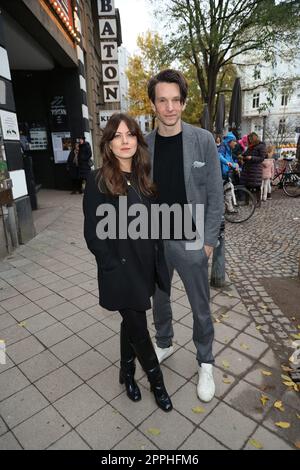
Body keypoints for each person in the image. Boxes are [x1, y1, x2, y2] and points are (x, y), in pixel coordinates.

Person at [83, 113, 173, 412]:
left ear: (138, 139)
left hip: (144, 265)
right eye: (117, 135)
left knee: (131, 320)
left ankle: (126, 372)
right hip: (121, 270)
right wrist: (110, 265)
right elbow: (94, 233)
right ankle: (156, 382)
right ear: (108, 143)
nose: (125, 141)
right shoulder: (98, 180)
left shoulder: (145, 177)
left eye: (130, 134)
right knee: (138, 325)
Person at [146, 69, 223, 402]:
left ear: (183, 102)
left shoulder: (202, 140)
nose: (169, 107)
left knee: (200, 306)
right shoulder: (144, 144)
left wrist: (208, 243)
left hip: (192, 235)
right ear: (153, 104)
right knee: (159, 299)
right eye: (162, 100)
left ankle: (205, 360)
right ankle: (164, 343)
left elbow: (216, 196)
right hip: (155, 235)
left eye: (176, 100)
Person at [240, 132, 266, 208]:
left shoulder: (261, 146)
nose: (249, 141)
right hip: (248, 168)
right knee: (247, 185)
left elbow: (262, 158)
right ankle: (246, 201)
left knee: (257, 186)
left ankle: (258, 203)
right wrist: (242, 156)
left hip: (255, 169)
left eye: (250, 139)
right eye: (249, 139)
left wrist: (252, 158)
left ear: (254, 139)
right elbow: (246, 154)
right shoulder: (250, 146)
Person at [217, 132, 239, 213]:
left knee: (228, 190)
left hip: (224, 174)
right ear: (229, 141)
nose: (236, 143)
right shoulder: (223, 147)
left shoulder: (229, 150)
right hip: (219, 174)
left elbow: (231, 161)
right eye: (234, 141)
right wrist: (227, 163)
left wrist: (236, 167)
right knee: (218, 193)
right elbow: (219, 156)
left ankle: (229, 209)